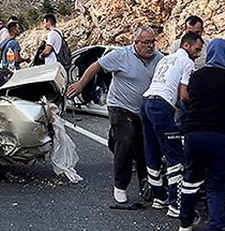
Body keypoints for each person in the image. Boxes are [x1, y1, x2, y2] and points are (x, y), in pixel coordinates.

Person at [67, 24, 161, 204]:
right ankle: (120, 186)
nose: (150, 46)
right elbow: (96, 66)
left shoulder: (159, 59)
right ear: (136, 42)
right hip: (120, 106)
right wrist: (80, 85)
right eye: (146, 42)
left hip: (143, 110)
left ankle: (146, 184)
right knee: (126, 140)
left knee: (144, 147)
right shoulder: (121, 55)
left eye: (153, 42)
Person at [177, 38, 225, 231]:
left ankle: (185, 223)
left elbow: (185, 100)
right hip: (221, 136)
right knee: (216, 184)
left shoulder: (196, 75)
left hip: (194, 134)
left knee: (191, 178)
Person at [141, 31, 204, 216]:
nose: (198, 53)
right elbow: (184, 94)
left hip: (145, 102)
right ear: (186, 45)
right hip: (162, 106)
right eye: (197, 49)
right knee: (174, 155)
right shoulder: (187, 62)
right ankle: (175, 204)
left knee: (152, 151)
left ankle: (158, 197)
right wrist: (196, 108)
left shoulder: (165, 59)